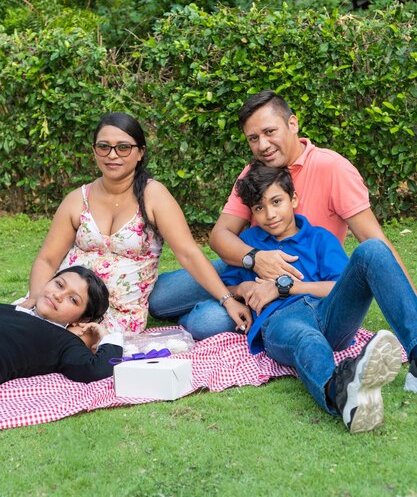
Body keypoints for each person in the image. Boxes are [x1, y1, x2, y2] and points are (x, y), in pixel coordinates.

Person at [149, 89, 415, 337]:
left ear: (292, 124)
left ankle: (218, 305)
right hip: (247, 269)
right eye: (253, 138)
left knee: (207, 322)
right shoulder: (253, 173)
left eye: (269, 132)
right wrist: (255, 259)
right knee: (159, 298)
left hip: (303, 277)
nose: (263, 145)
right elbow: (220, 236)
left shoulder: (332, 167)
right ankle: (227, 297)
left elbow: (375, 242)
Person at [220, 161, 417, 433]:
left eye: (277, 201)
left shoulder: (320, 238)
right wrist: (243, 290)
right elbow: (226, 284)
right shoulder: (251, 240)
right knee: (307, 338)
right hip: (282, 319)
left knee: (372, 249)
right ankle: (343, 396)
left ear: (294, 199)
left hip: (331, 314)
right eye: (259, 208)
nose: (270, 214)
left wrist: (284, 287)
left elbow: (336, 287)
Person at [21, 112, 251, 334]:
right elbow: (47, 258)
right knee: (20, 330)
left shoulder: (154, 196)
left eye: (123, 147)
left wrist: (227, 299)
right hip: (65, 302)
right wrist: (36, 295)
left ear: (140, 152)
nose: (112, 155)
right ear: (94, 151)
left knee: (71, 341)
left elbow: (189, 253)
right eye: (104, 147)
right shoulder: (77, 199)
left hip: (118, 313)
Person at [1, 265, 123, 384]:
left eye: (73, 300)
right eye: (59, 284)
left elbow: (95, 369)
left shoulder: (64, 340)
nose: (58, 295)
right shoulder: (13, 309)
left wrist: (106, 337)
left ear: (83, 320)